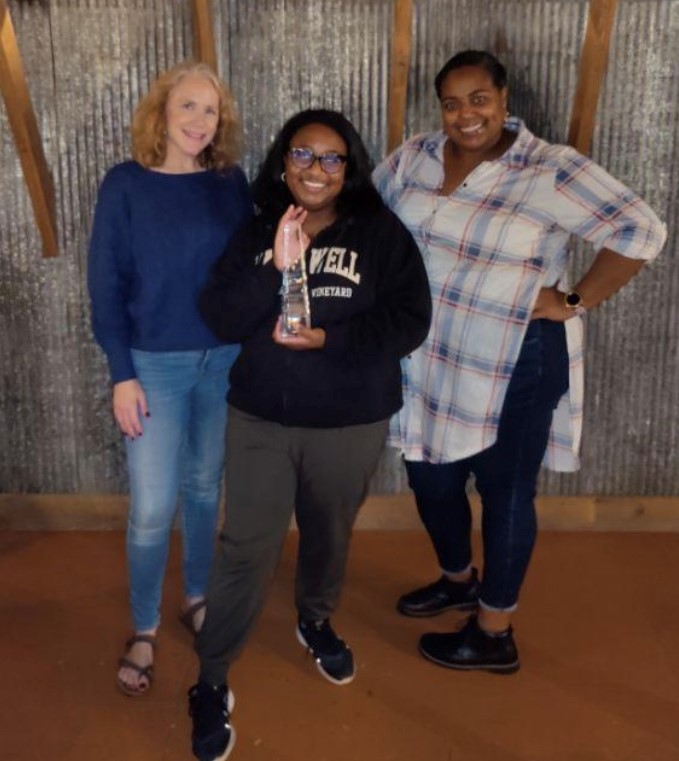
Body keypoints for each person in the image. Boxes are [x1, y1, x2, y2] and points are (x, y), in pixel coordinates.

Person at [372, 50, 666, 674]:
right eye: (452, 103)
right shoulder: (415, 157)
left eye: (479, 99)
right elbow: (364, 215)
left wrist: (573, 299)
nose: (465, 115)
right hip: (429, 361)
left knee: (505, 492)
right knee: (431, 475)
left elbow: (641, 230)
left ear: (505, 100)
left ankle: (494, 630)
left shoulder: (550, 169)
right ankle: (458, 581)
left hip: (518, 363)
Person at [186, 108, 431, 761]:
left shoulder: (380, 234)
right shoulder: (258, 230)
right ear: (282, 161)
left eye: (330, 158)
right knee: (245, 546)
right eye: (302, 154)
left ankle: (314, 619)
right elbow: (218, 313)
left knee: (328, 532)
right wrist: (274, 264)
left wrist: (332, 340)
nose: (315, 170)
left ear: (347, 168)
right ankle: (211, 677)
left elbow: (410, 319)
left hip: (349, 418)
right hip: (262, 415)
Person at [88, 61, 253, 697]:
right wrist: (121, 374)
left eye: (210, 111)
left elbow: (249, 270)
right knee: (155, 507)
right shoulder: (124, 185)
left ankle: (195, 594)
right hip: (153, 365)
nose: (199, 121)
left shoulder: (229, 182)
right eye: (187, 107)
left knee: (206, 487)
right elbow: (105, 287)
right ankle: (144, 626)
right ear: (162, 112)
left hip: (224, 361)